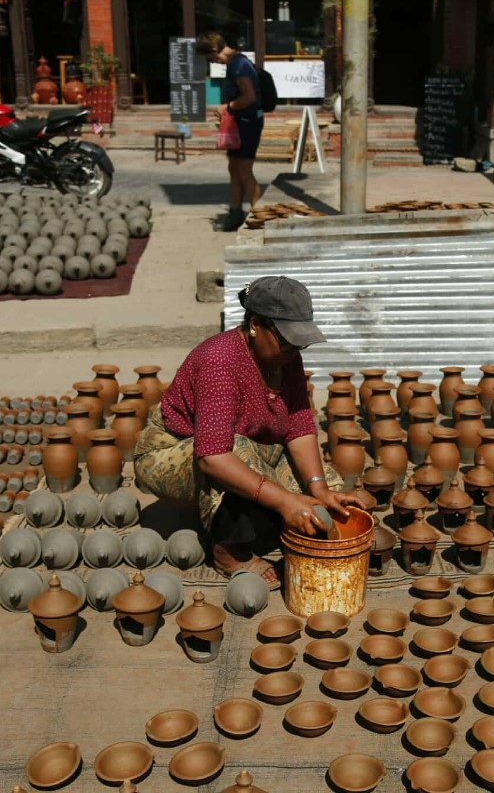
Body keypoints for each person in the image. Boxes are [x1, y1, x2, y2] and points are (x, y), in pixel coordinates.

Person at [134, 276, 360, 588]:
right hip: (172, 453)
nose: (294, 350)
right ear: (255, 325)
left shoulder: (286, 356)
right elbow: (213, 457)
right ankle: (229, 550)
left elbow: (299, 426)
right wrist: (283, 502)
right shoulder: (220, 361)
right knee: (236, 452)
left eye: (300, 342)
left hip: (249, 448)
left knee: (327, 494)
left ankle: (262, 521)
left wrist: (319, 488)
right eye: (287, 340)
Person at [196, 32, 264, 232]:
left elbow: (249, 97)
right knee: (234, 169)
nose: (212, 61)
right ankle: (235, 214)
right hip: (240, 123)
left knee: (244, 171)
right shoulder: (235, 63)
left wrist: (227, 107)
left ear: (215, 51)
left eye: (209, 57)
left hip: (248, 123)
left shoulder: (239, 65)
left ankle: (260, 217)